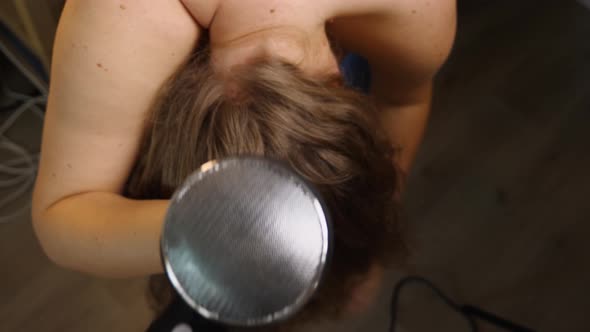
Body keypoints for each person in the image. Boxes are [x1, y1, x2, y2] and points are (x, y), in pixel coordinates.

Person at [31, 0, 456, 330]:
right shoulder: (123, 21)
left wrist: (366, 250)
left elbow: (405, 98)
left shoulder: (416, 12)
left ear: (339, 75)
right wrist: (208, 233)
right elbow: (62, 213)